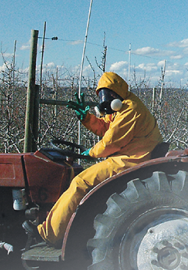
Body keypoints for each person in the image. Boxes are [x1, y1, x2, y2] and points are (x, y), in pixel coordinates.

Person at [23, 72, 163, 247]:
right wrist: (87, 118)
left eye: (108, 94)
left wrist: (91, 152)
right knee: (77, 178)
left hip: (131, 160)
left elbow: (111, 141)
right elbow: (107, 127)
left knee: (80, 182)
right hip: (127, 156)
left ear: (116, 92)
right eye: (102, 95)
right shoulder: (122, 107)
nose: (106, 99)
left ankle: (49, 234)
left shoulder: (131, 109)